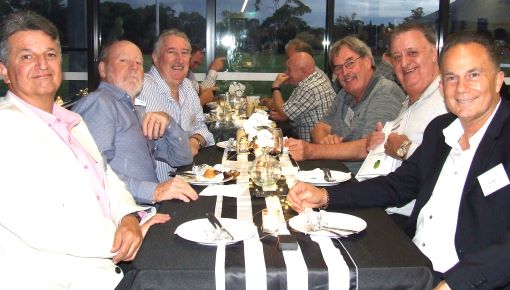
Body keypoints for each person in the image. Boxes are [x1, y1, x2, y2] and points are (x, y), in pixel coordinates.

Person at [287, 32, 510, 290]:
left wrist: (455, 283)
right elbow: (395, 186)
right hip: (415, 265)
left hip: (469, 280)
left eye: (473, 75)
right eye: (451, 77)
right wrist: (325, 196)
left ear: (497, 81)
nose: (461, 88)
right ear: (442, 85)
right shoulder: (441, 130)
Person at [0, 11, 169, 289]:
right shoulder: (7, 126)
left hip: (106, 266)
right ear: (5, 70)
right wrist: (121, 234)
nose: (43, 64)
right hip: (62, 279)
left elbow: (108, 179)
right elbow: (42, 224)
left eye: (51, 54)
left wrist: (128, 216)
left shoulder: (72, 122)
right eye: (27, 56)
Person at [73, 40, 198, 205]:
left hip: (149, 210)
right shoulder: (100, 103)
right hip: (126, 218)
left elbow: (182, 159)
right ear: (103, 69)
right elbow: (92, 173)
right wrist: (154, 191)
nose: (134, 67)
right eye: (124, 61)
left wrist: (169, 122)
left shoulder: (136, 111)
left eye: (138, 62)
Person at [358, 23, 448, 218]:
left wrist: (406, 150)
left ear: (434, 53)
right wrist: (378, 144)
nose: (404, 63)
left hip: (410, 222)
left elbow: (456, 168)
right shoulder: (409, 100)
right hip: (384, 205)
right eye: (397, 57)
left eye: (412, 53)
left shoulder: (448, 100)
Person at [286, 36, 405, 174]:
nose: (345, 72)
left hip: (359, 182)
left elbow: (369, 146)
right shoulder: (345, 93)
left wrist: (313, 151)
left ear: (367, 61)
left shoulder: (385, 94)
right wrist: (325, 141)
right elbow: (319, 128)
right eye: (338, 68)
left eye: (350, 63)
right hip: (331, 172)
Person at [139, 29, 214, 181]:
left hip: (188, 182)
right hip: (154, 193)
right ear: (156, 58)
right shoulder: (140, 88)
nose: (180, 59)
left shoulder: (187, 87)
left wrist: (195, 141)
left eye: (185, 52)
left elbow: (202, 129)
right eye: (172, 52)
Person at [269, 52, 335, 141]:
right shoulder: (316, 78)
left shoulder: (309, 88)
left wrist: (276, 86)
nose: (286, 73)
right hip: (303, 136)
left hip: (311, 146)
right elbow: (288, 111)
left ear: (303, 71)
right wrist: (284, 115)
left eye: (289, 70)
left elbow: (283, 112)